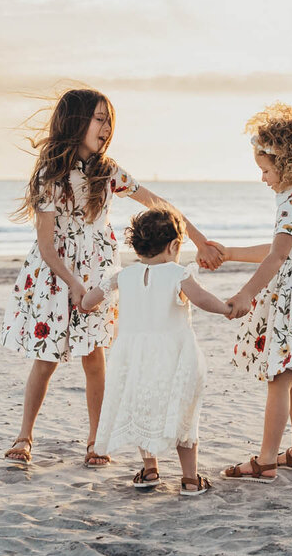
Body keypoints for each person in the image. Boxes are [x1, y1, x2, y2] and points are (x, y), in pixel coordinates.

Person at [0, 87, 222, 464]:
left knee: (95, 357)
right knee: (46, 358)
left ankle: (95, 441)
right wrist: (73, 284)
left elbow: (158, 204)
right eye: (98, 119)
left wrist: (199, 241)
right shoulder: (50, 176)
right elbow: (48, 245)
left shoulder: (108, 172)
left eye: (109, 121)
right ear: (76, 121)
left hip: (99, 273)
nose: (106, 129)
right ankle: (24, 436)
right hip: (57, 276)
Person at [213, 103, 292, 482]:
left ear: (285, 164)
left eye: (265, 170)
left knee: (279, 378)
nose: (263, 178)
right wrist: (232, 253)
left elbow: (277, 257)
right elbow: (280, 251)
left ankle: (266, 459)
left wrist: (245, 296)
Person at [79, 207, 234, 496]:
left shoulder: (121, 276)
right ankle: (189, 479)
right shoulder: (178, 273)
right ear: (174, 245)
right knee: (182, 412)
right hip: (174, 356)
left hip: (133, 358)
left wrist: (87, 303)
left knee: (142, 407)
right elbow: (201, 298)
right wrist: (227, 309)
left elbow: (89, 300)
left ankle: (150, 469)